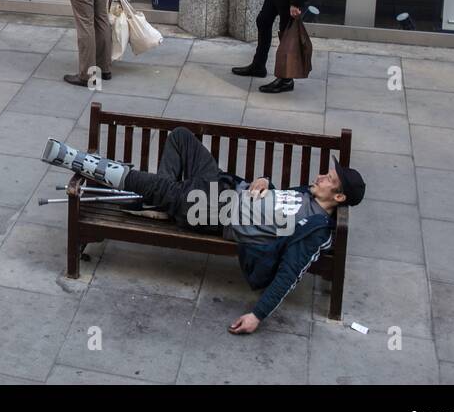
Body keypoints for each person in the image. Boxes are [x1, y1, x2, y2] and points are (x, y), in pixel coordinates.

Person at [43, 129, 364, 334]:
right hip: (221, 185)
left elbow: (290, 272)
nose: (321, 175)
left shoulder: (315, 231)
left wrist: (258, 315)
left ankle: (76, 161)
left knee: (157, 186)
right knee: (181, 138)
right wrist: (266, 180)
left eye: (329, 179)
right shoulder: (308, 195)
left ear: (338, 198)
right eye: (326, 173)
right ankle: (160, 201)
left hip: (214, 213)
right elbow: (278, 201)